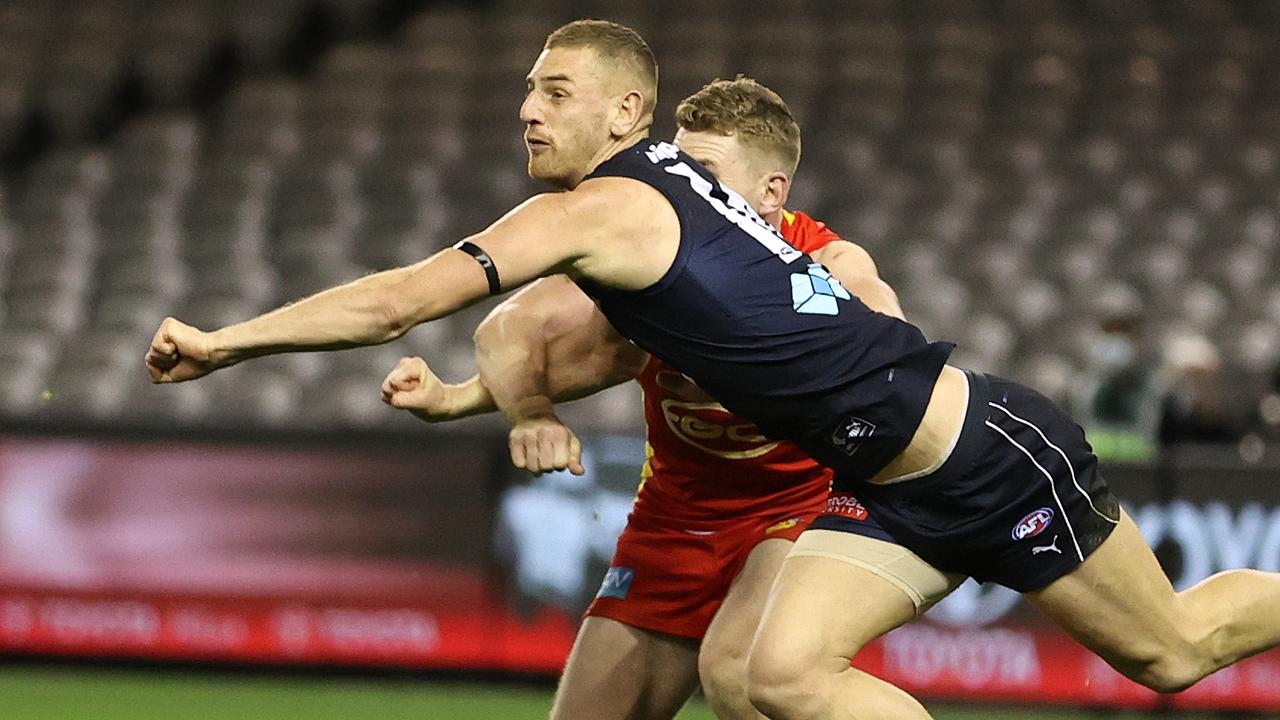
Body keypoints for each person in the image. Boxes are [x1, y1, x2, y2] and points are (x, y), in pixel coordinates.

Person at [145, 19, 1280, 720]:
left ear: (625, 110)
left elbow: (398, 299)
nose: (526, 108)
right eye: (526, 89)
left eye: (554, 90)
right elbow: (545, 338)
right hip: (883, 491)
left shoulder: (613, 205)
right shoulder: (662, 206)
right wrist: (469, 398)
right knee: (770, 681)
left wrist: (226, 340)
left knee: (1170, 656)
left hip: (980, 450)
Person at [378, 76, 929, 720]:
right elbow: (515, 326)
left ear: (772, 191)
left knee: (739, 673)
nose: (677, 187)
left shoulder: (825, 264)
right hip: (672, 517)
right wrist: (471, 401)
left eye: (704, 173)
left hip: (795, 509)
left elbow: (892, 339)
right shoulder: (649, 252)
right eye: (675, 165)